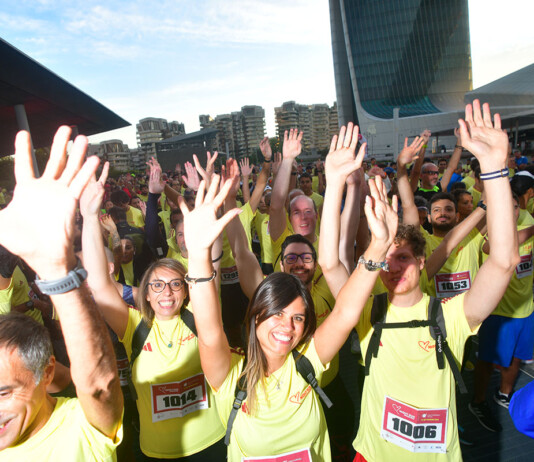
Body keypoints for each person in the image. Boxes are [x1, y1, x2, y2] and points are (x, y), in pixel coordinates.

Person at [182, 127, 398, 461]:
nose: (288, 325)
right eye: (278, 313)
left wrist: (378, 243)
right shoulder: (230, 376)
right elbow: (210, 331)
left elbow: (345, 310)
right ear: (257, 313)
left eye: (298, 317)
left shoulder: (308, 363)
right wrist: (198, 254)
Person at [344, 100, 518, 461]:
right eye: (386, 258)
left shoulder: (449, 317)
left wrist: (494, 170)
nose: (394, 267)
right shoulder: (364, 312)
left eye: (403, 257)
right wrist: (351, 187)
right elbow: (333, 261)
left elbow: (503, 262)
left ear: (422, 263)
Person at [79, 165, 226, 460]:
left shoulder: (200, 317)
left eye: (175, 284)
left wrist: (206, 213)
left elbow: (213, 263)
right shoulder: (135, 326)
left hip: (211, 444)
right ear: (145, 293)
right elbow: (99, 283)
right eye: (157, 285)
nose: (166, 292)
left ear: (187, 290)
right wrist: (90, 217)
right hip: (156, 452)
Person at [0, 126, 123, 459]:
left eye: (3, 393)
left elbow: (99, 388)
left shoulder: (81, 428)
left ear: (47, 374)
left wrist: (58, 271)